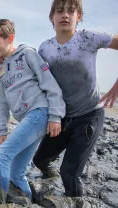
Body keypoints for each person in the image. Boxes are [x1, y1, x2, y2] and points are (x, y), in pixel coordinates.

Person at [33, 0, 118, 197]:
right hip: (62, 117)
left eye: (71, 11)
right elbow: (40, 82)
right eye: (60, 11)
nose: (65, 15)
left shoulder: (89, 37)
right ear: (51, 17)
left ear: (78, 16)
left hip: (90, 114)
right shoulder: (45, 48)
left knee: (69, 173)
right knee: (39, 161)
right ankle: (50, 177)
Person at [0, 19, 65, 203]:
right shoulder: (0, 70)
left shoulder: (28, 54)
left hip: (40, 112)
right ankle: (27, 203)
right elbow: (1, 102)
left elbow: (50, 84)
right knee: (16, 170)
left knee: (2, 155)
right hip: (27, 120)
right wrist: (1, 130)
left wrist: (56, 116)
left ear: (10, 38)